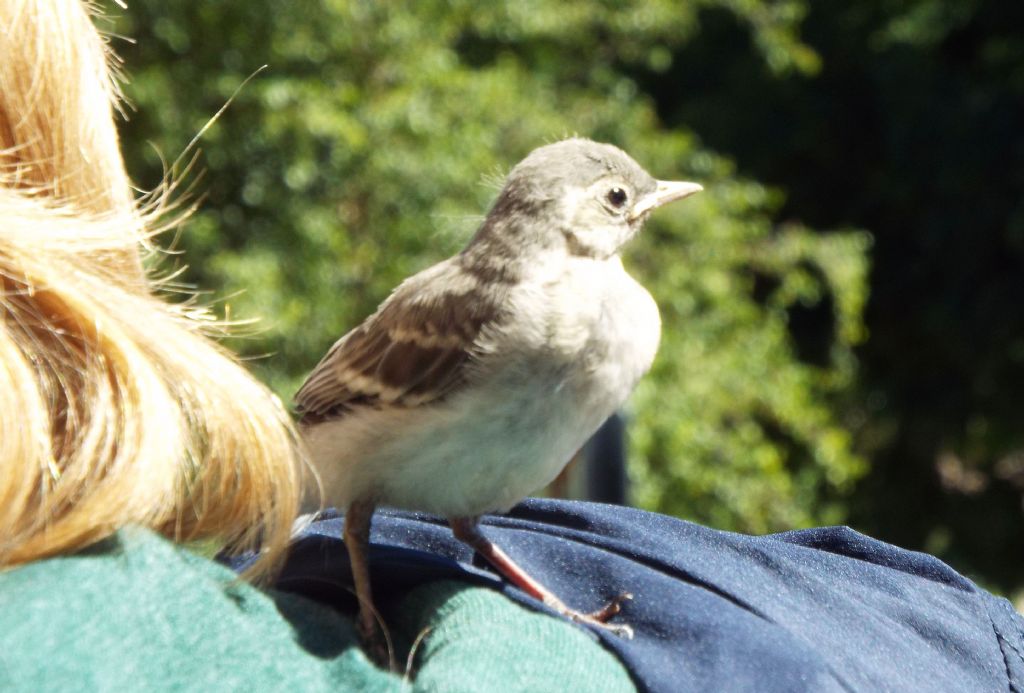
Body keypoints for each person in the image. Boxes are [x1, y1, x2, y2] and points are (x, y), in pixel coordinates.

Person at [2, 3, 1021, 692]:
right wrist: (370, 617)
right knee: (361, 524)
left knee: (476, 527)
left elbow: (471, 512)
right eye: (621, 199)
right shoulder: (487, 310)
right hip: (345, 458)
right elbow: (336, 434)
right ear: (578, 217)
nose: (642, 207)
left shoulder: (622, 324)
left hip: (474, 514)